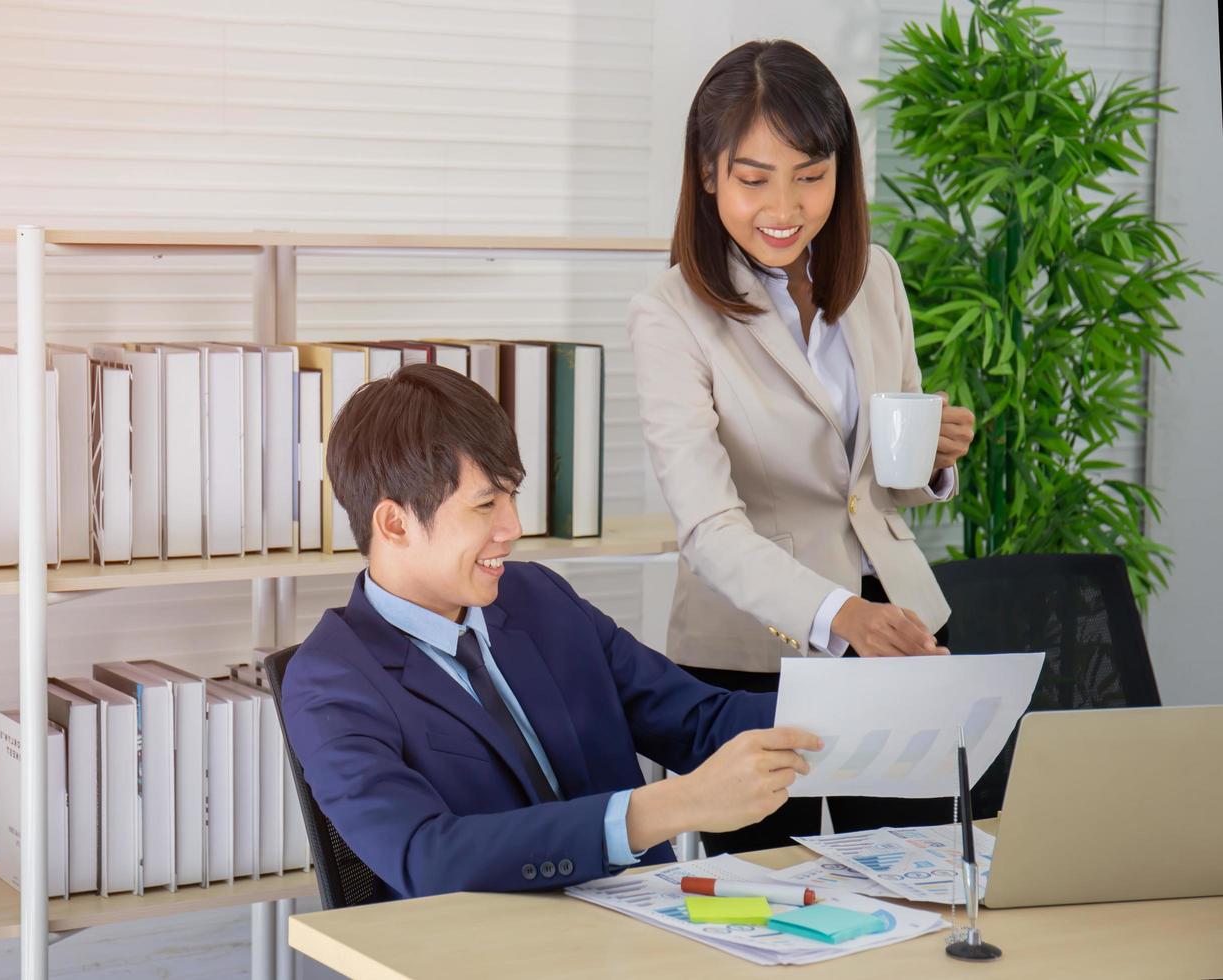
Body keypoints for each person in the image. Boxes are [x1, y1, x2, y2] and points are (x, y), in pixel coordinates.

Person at [280, 363, 821, 899]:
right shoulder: (330, 679)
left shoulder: (538, 598)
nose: (512, 529)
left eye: (512, 497)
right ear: (394, 523)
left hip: (650, 922)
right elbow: (428, 855)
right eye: (485, 505)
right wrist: (672, 806)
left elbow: (699, 722)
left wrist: (869, 703)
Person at [627, 40, 977, 855]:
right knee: (763, 909)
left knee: (917, 879)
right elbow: (710, 528)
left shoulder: (876, 275)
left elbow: (870, 484)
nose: (783, 206)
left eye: (810, 176)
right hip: (755, 658)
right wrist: (839, 617)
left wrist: (930, 464)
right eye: (754, 178)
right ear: (708, 174)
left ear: (840, 172)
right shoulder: (669, 315)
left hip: (899, 628)